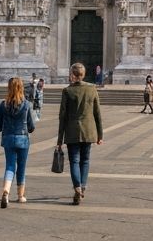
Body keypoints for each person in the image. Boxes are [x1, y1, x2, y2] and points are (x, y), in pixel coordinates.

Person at [57, 61, 104, 205]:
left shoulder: (67, 91)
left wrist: (60, 139)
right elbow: (97, 113)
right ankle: (82, 186)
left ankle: (77, 186)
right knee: (85, 160)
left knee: (74, 161)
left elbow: (62, 117)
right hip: (89, 131)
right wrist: (100, 135)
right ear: (83, 75)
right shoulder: (92, 89)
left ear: (72, 74)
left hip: (72, 132)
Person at [0, 77, 36, 207]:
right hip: (23, 138)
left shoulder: (3, 104)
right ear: (21, 88)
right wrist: (29, 128)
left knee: (10, 166)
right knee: (21, 167)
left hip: (8, 138)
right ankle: (20, 196)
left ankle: (6, 191)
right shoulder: (26, 104)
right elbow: (31, 126)